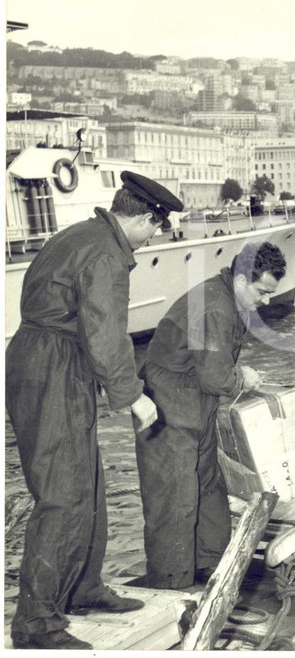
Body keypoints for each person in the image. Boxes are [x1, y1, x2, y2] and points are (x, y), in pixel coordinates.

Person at [5, 171, 182, 650]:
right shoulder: (106, 253)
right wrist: (133, 395)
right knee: (63, 494)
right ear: (145, 217)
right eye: (155, 230)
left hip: (48, 360)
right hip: (53, 366)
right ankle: (35, 623)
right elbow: (106, 334)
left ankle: (82, 589)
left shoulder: (82, 233)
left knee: (88, 483)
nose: (151, 241)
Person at [133, 241, 285, 589]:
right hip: (168, 409)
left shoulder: (228, 299)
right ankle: (171, 582)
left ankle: (211, 568)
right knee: (173, 497)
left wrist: (233, 372)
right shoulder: (216, 306)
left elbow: (210, 364)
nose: (266, 300)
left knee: (207, 487)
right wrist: (241, 377)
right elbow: (215, 376)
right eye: (262, 292)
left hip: (195, 404)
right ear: (242, 279)